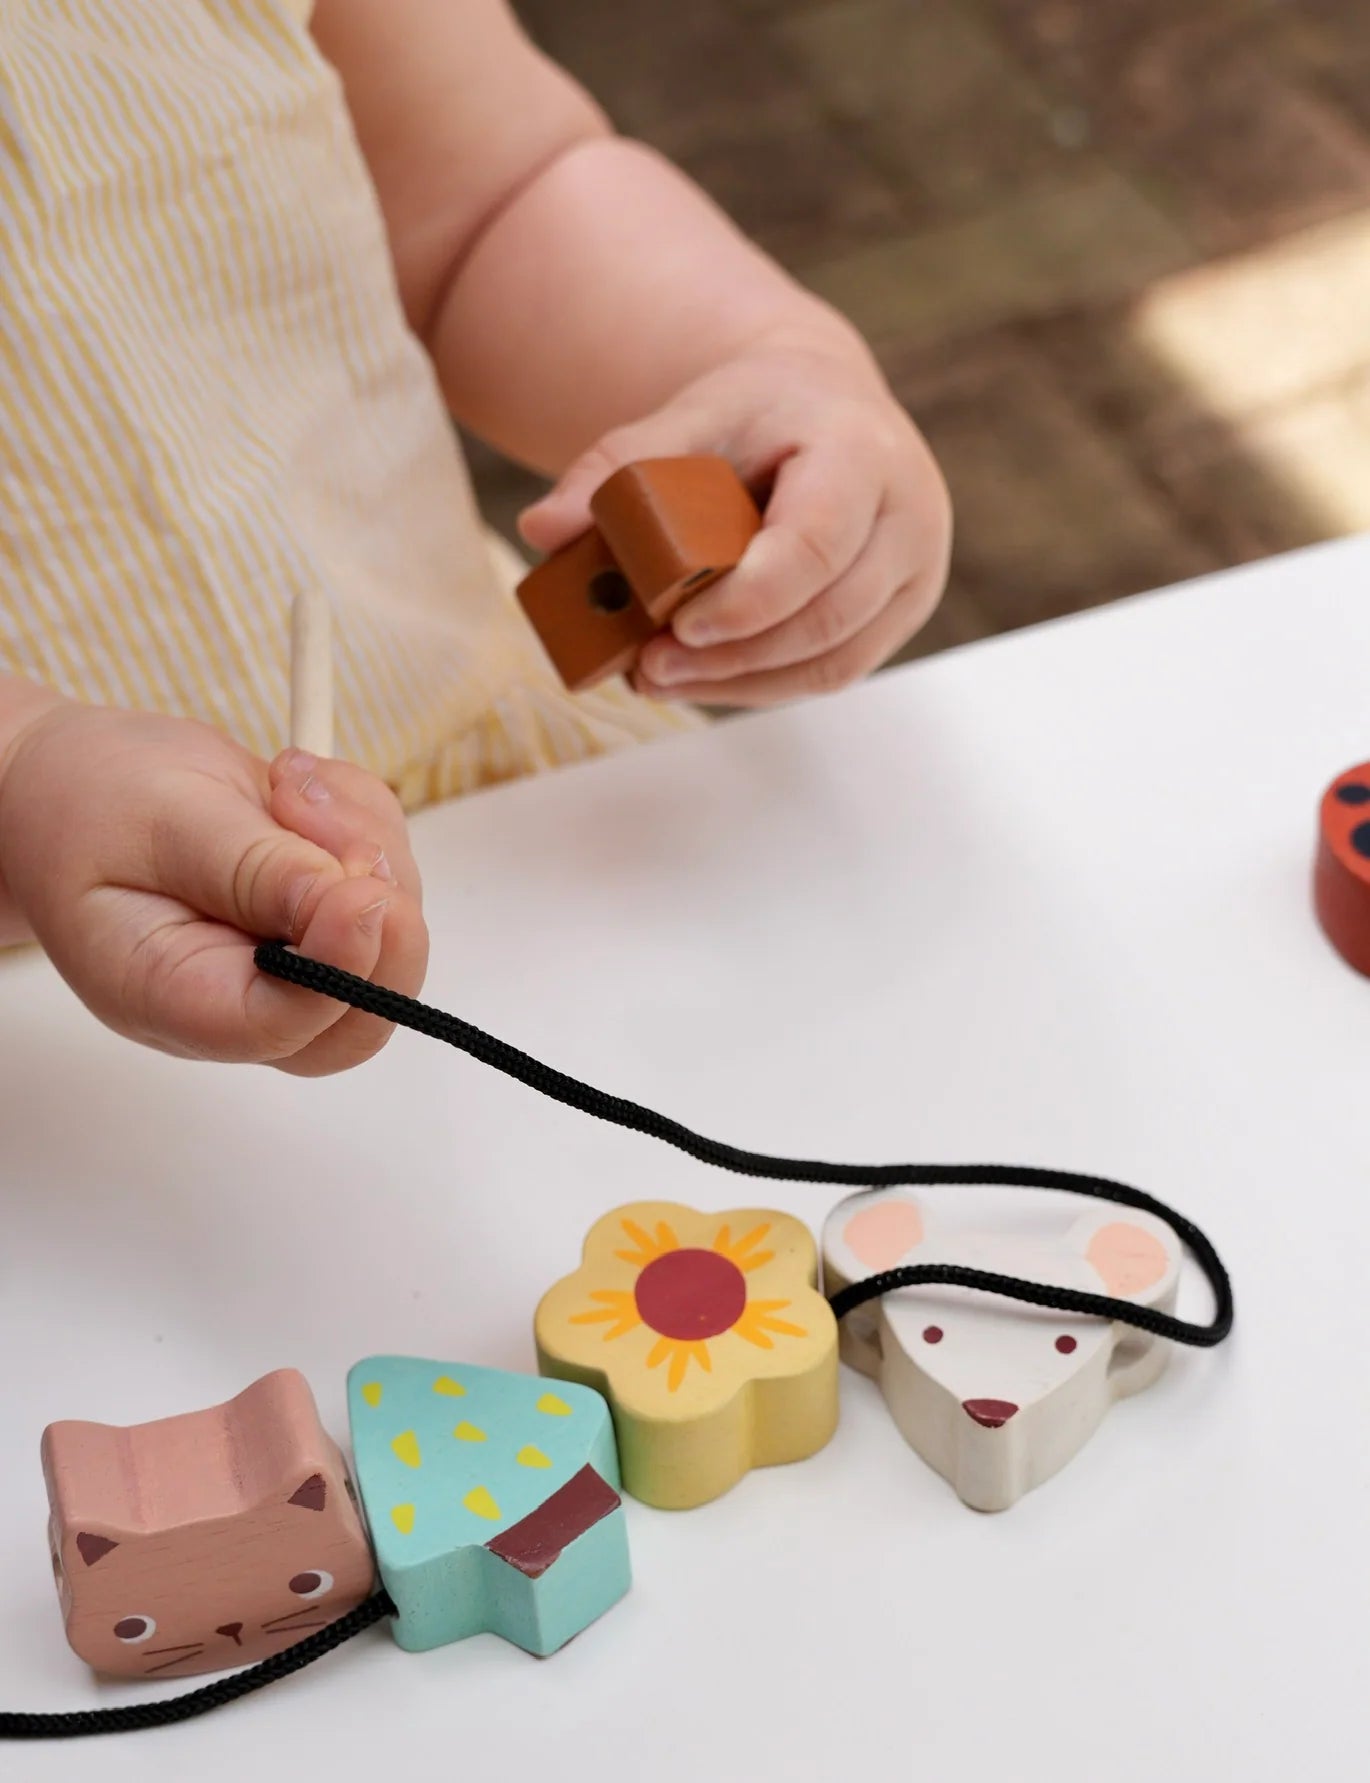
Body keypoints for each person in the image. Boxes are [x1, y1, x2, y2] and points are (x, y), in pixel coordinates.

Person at [0, 0, 951, 1076]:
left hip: (500, 762)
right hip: (52, 981)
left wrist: (768, 358)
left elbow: (494, 194)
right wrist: (22, 769)